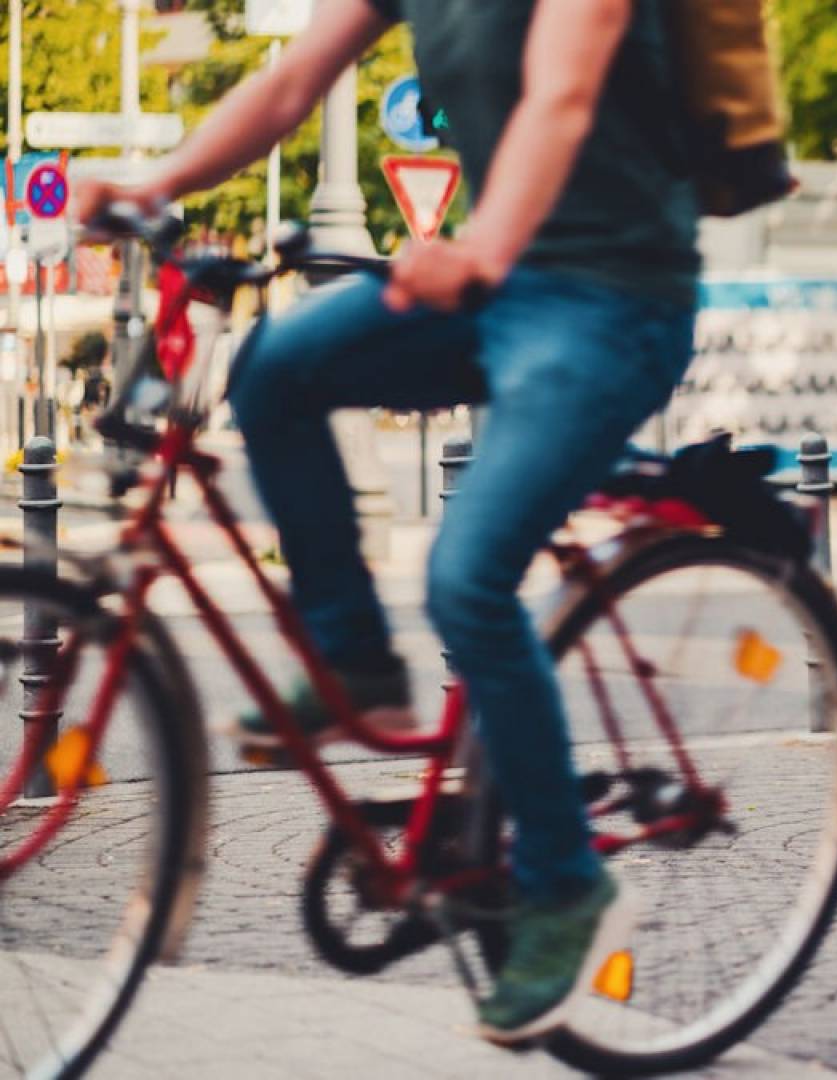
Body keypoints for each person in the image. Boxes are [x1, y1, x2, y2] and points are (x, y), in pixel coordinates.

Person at [72, 0, 696, 1045]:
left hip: (611, 299)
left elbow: (564, 92)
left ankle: (563, 885)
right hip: (500, 284)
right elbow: (288, 82)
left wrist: (480, 247)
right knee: (272, 370)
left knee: (469, 577)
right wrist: (156, 183)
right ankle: (352, 659)